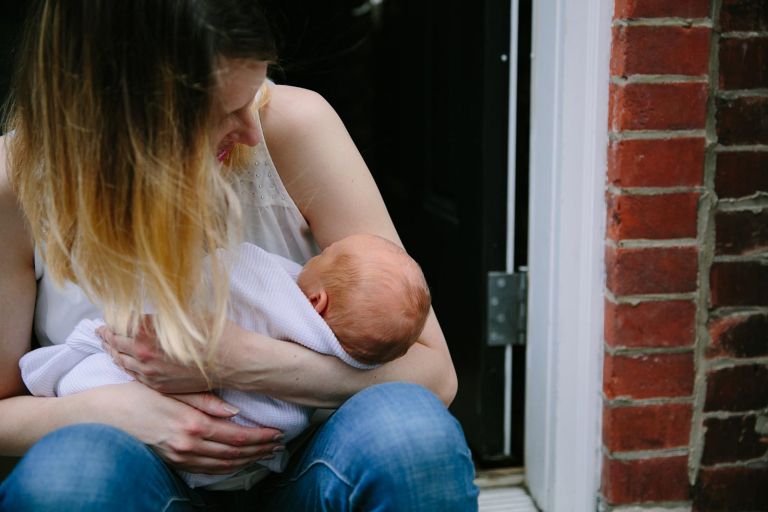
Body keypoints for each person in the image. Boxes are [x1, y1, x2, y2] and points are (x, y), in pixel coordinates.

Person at [0, 0, 479, 510]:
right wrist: (109, 411)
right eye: (225, 111)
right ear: (127, 119)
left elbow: (435, 375)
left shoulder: (294, 127)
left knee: (411, 439)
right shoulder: (19, 181)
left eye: (255, 95)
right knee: (67, 482)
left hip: (307, 466)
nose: (252, 130)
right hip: (140, 475)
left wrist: (241, 362)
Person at [19, 233, 432, 489]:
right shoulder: (354, 348)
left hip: (280, 472)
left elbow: (225, 274)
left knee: (410, 428)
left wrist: (238, 359)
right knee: (65, 476)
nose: (315, 254)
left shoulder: (273, 288)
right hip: (205, 458)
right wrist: (98, 409)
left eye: (323, 254)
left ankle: (65, 375)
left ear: (315, 302)